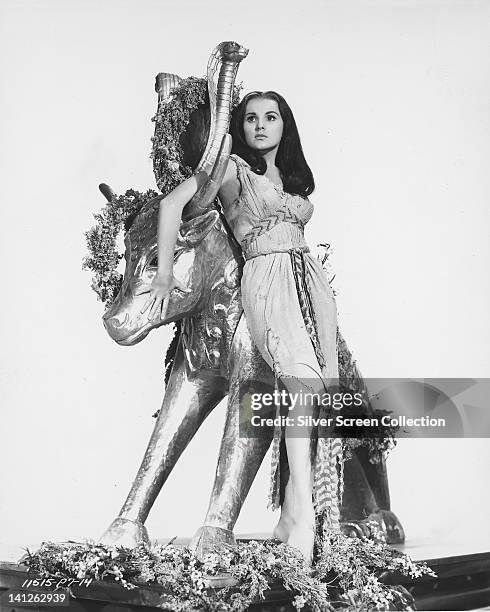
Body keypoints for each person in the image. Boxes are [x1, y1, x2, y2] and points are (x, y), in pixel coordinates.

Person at [142, 90, 341, 565]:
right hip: (267, 278)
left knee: (314, 392)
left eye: (271, 117)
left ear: (284, 125)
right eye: (251, 118)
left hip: (307, 283)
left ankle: (295, 509)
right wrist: (166, 273)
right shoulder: (233, 168)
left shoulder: (291, 177)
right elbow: (172, 205)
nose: (260, 126)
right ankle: (301, 512)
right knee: (303, 383)